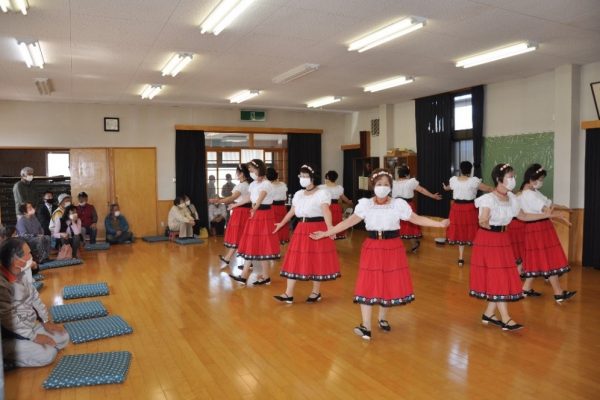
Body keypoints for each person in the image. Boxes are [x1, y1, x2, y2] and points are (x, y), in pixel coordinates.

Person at [311, 169, 449, 340]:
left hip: (393, 247)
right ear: (373, 186)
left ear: (390, 187)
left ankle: (382, 318)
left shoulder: (398, 204)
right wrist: (327, 232)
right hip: (373, 246)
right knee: (367, 284)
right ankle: (366, 326)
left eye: (385, 185)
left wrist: (439, 224)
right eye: (378, 184)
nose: (382, 187)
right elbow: (349, 221)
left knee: (388, 282)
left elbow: (416, 219)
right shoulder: (365, 204)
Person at [470, 163, 555, 332]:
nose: (513, 180)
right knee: (498, 276)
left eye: (513, 176)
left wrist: (545, 214)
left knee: (500, 276)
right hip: (488, 240)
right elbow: (484, 218)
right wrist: (484, 221)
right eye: (509, 176)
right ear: (498, 179)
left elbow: (522, 215)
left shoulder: (512, 199)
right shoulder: (488, 199)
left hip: (502, 239)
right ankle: (506, 318)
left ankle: (489, 314)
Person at [273, 164, 340, 303]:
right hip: (301, 228)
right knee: (295, 259)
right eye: (301, 176)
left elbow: (326, 211)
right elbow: (292, 211)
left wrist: (330, 229)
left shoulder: (322, 193)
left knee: (316, 259)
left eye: (305, 176)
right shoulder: (298, 194)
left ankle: (315, 292)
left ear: (312, 178)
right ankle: (288, 293)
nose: (302, 179)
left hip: (317, 227)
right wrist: (282, 223)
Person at [0, 238, 70, 367]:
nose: (31, 256)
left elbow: (34, 297)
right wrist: (34, 337)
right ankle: (5, 353)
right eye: (28, 253)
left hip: (30, 326)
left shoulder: (21, 273)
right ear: (16, 260)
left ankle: (27, 347)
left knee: (64, 336)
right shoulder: (2, 284)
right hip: (13, 334)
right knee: (48, 354)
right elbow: (9, 320)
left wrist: (45, 321)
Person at [518, 164, 576, 303]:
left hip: (541, 227)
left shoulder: (533, 191)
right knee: (546, 259)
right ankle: (558, 293)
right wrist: (559, 215)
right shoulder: (528, 194)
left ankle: (525, 289)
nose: (541, 182)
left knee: (540, 259)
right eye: (540, 179)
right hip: (537, 228)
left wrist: (563, 208)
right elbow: (546, 210)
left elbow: (548, 205)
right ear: (531, 179)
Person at [229, 159, 280, 285]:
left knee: (263, 245)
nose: (250, 171)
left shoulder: (266, 184)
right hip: (256, 214)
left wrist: (254, 209)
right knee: (252, 243)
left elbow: (260, 198)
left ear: (258, 169)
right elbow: (249, 198)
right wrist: (235, 205)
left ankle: (256, 276)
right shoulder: (253, 184)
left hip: (263, 215)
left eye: (251, 169)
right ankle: (245, 275)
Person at [442, 161, 493, 266]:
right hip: (469, 208)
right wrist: (500, 192)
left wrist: (445, 188)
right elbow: (488, 188)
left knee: (460, 231)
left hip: (456, 208)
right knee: (472, 231)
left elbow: (448, 188)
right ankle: (478, 257)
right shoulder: (473, 181)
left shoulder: (454, 180)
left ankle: (460, 258)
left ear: (460, 169)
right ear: (470, 170)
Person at [392, 164, 442, 252]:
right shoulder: (410, 182)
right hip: (406, 205)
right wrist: (433, 196)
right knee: (410, 224)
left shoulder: (394, 183)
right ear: (407, 175)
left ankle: (406, 246)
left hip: (397, 206)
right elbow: (422, 190)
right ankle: (413, 244)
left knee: (399, 225)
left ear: (399, 174)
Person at [210, 164, 252, 267]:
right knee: (242, 235)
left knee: (240, 235)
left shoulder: (242, 185)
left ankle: (232, 259)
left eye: (237, 172)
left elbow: (231, 198)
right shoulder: (247, 184)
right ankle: (230, 258)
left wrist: (218, 200)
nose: (236, 174)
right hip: (243, 210)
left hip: (241, 212)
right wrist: (220, 199)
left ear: (241, 174)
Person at [319, 170, 353, 240]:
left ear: (327, 177)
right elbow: (344, 198)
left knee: (327, 221)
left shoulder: (322, 187)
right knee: (336, 221)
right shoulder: (339, 188)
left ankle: (326, 234)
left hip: (326, 206)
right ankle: (336, 234)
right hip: (336, 206)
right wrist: (349, 202)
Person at [267, 167, 290, 245]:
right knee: (282, 223)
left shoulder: (268, 186)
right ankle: (282, 240)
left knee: (273, 225)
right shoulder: (283, 184)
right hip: (282, 207)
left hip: (272, 207)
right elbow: (285, 196)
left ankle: (274, 242)